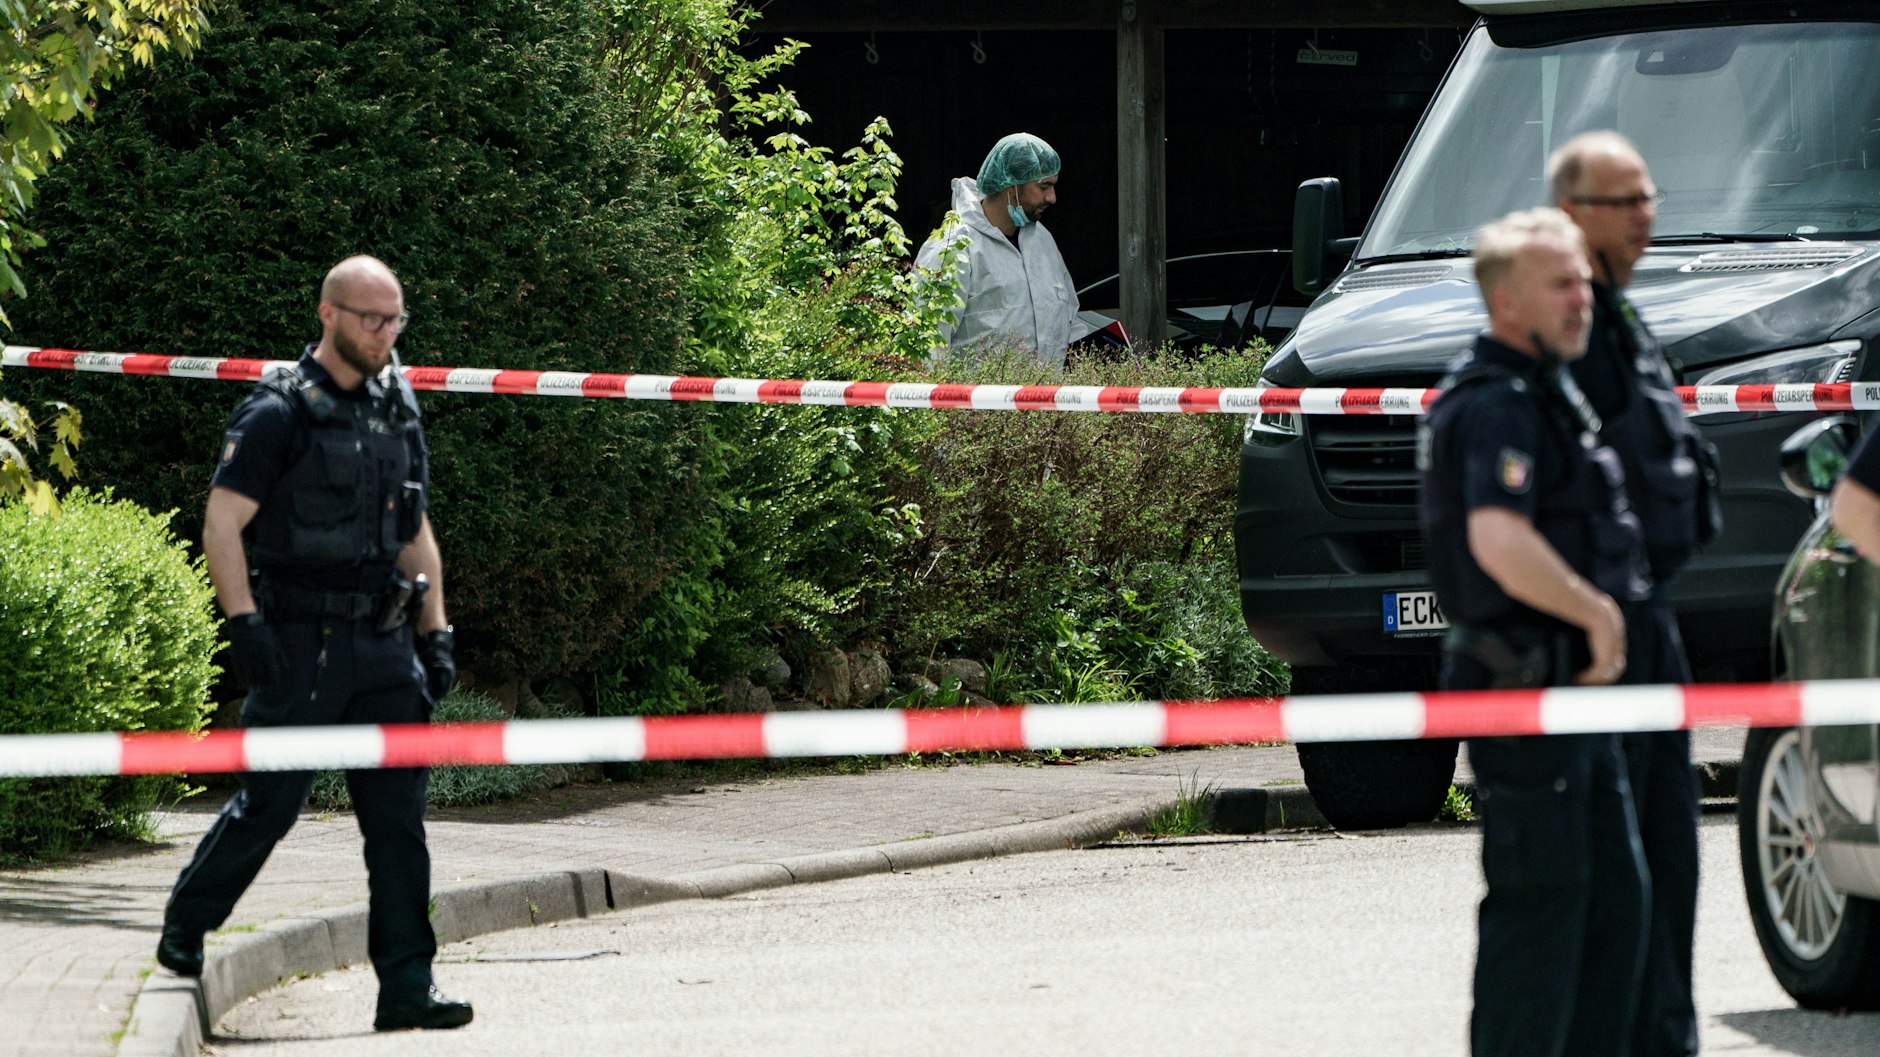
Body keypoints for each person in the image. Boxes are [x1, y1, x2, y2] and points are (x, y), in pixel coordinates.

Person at [155, 256, 472, 1032]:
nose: (386, 333)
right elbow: (223, 522)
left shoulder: (397, 403)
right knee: (270, 805)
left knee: (397, 821)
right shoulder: (277, 411)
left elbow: (414, 527)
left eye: (395, 319)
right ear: (328, 315)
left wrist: (437, 633)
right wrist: (244, 624)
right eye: (373, 319)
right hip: (302, 642)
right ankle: (186, 925)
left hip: (386, 644)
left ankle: (407, 986)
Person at [1418, 208, 1651, 1057]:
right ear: (1506, 299)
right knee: (1542, 912)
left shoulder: (1549, 390)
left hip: (1572, 696)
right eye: (1562, 283)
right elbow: (1499, 539)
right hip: (1523, 687)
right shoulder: (1497, 405)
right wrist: (1597, 611)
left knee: (1614, 905)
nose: (1581, 297)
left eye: (1585, 281)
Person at [1555, 130, 1719, 1057]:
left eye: (1651, 197)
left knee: (1669, 866)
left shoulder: (1624, 317)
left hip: (1650, 619)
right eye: (1627, 202)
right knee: (1610, 888)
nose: (1646, 216)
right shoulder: (1563, 327)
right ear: (1575, 211)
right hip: (1593, 632)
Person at [914, 132, 1082, 367]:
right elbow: (925, 345)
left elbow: (1070, 321)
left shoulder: (1042, 241)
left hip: (1044, 401)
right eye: (1043, 186)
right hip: (977, 403)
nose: (1052, 197)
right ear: (1011, 186)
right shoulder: (954, 246)